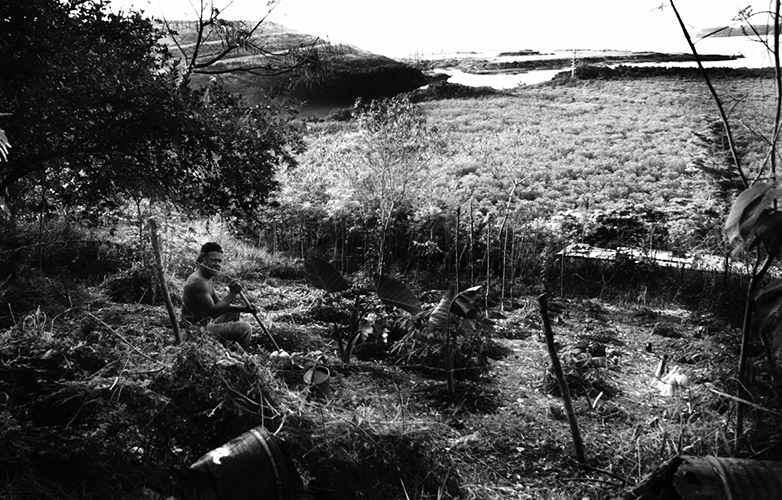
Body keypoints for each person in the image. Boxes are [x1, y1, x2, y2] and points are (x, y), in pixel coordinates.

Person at [181, 242, 255, 349]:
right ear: (203, 258)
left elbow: (219, 305)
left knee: (234, 313)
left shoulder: (206, 278)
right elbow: (214, 312)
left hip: (206, 324)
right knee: (245, 328)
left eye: (219, 261)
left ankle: (227, 345)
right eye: (213, 260)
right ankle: (239, 356)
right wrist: (232, 293)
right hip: (195, 331)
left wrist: (245, 309)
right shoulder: (198, 281)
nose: (217, 264)